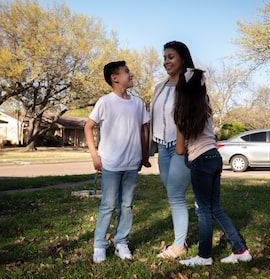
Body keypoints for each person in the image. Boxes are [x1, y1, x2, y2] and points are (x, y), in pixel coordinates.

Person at [173, 68, 252, 266]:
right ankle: (240, 250)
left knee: (203, 210)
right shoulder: (205, 107)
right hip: (215, 157)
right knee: (215, 208)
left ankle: (204, 256)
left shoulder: (182, 112)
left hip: (200, 160)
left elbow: (180, 149)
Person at [84, 60, 150, 264]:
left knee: (127, 205)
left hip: (132, 163)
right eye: (126, 72)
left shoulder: (138, 103)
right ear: (115, 78)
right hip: (111, 164)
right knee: (108, 205)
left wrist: (144, 156)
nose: (131, 75)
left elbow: (144, 129)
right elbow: (88, 126)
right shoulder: (105, 102)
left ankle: (121, 242)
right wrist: (95, 156)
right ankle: (99, 246)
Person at [149, 41, 193, 259]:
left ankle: (179, 245)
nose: (166, 61)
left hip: (180, 148)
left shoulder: (190, 84)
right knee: (173, 193)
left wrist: (181, 147)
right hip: (162, 148)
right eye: (164, 57)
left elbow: (190, 117)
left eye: (171, 57)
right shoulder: (160, 87)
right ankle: (187, 227)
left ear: (182, 58)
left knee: (175, 195)